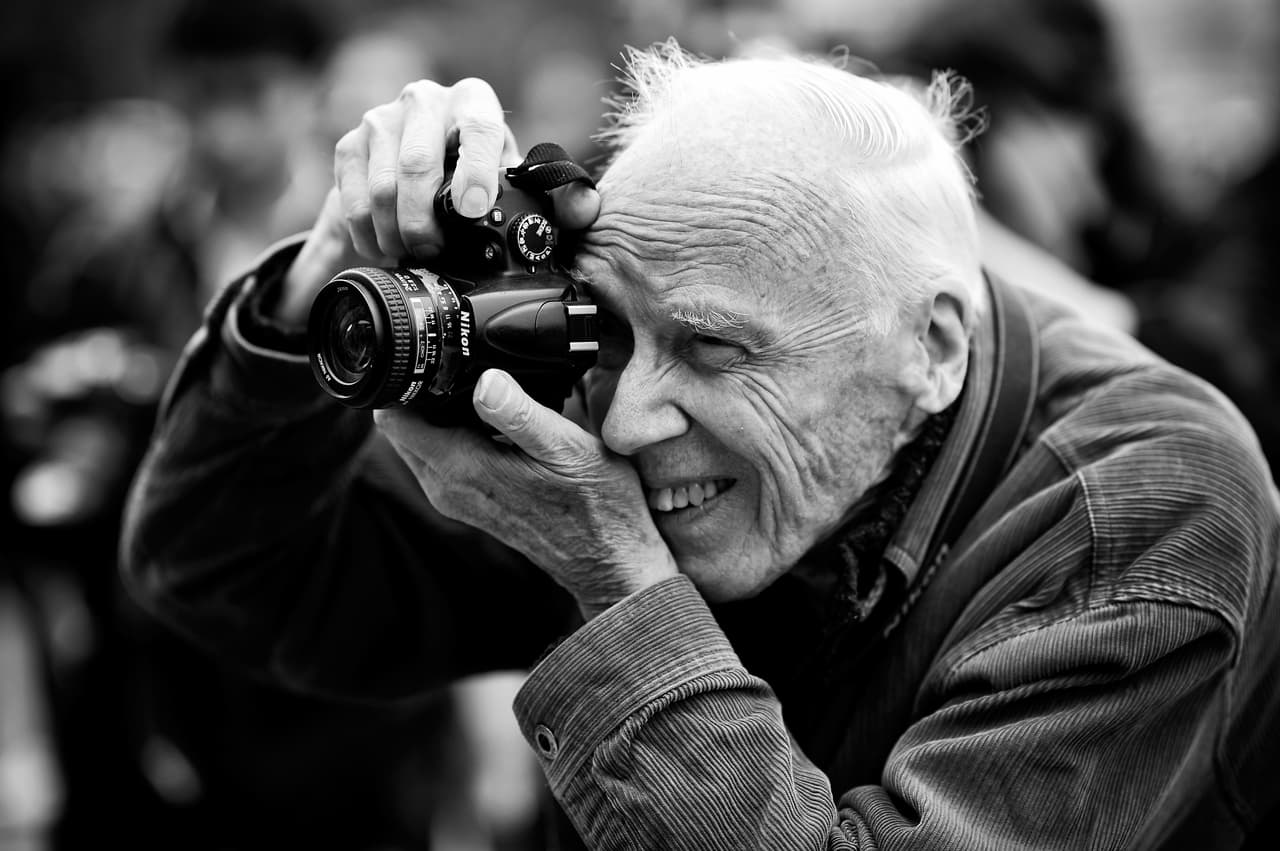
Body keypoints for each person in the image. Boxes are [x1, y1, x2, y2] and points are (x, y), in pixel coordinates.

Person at [120, 42, 1280, 849]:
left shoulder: (1143, 499)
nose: (624, 421)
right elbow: (212, 572)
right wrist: (310, 291)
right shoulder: (627, 429)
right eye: (614, 332)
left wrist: (619, 586)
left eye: (718, 351)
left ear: (929, 346)